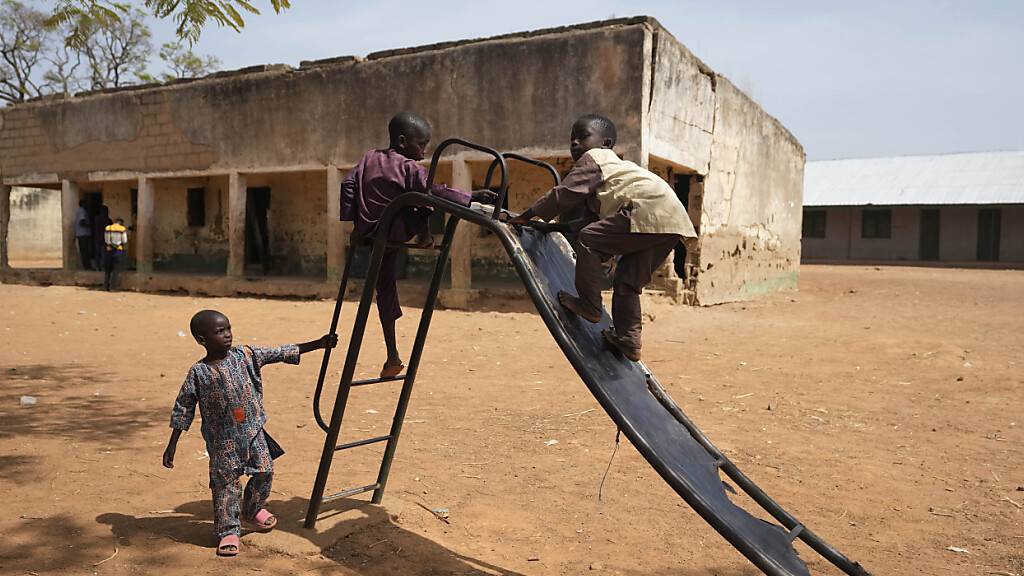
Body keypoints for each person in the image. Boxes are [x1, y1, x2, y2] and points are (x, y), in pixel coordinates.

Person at [510, 114, 697, 362]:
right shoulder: (613, 178)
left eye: (583, 136)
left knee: (589, 239)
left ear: (606, 143)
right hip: (670, 220)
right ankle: (629, 340)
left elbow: (563, 194)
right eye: (572, 139)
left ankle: (590, 305)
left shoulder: (596, 159)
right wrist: (551, 228)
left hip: (646, 209)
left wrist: (527, 215)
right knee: (628, 281)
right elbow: (586, 223)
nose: (575, 143)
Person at [162, 310, 337, 556]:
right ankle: (228, 531)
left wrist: (319, 344)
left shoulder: (246, 355)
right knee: (226, 486)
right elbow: (183, 407)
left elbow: (279, 352)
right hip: (223, 442)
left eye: (228, 329)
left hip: (254, 431)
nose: (227, 335)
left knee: (265, 470)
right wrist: (173, 444)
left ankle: (252, 509)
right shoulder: (198, 373)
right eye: (219, 332)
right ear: (202, 340)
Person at [340, 112, 496, 378]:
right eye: (421, 144)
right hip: (398, 229)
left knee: (383, 287)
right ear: (402, 141)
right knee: (423, 202)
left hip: (373, 234)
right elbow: (433, 191)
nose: (424, 150)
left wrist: (354, 224)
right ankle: (424, 236)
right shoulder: (410, 168)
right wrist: (469, 198)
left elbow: (348, 184)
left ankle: (392, 355)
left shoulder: (369, 157)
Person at [102, 217, 128, 291]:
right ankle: (113, 287)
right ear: (121, 223)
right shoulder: (122, 229)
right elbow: (124, 240)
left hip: (109, 249)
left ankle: (105, 286)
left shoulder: (108, 228)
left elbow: (106, 240)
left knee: (107, 269)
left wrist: (111, 244)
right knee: (115, 270)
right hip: (118, 250)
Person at [91, 204, 111, 271]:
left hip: (99, 239)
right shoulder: (107, 220)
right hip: (103, 239)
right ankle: (101, 266)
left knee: (99, 253)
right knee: (102, 254)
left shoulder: (97, 219)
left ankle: (99, 266)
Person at [74, 199, 92, 270]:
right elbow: (82, 222)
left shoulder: (78, 211)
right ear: (83, 204)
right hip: (83, 234)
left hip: (80, 234)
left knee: (84, 251)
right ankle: (86, 266)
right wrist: (90, 225)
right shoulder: (82, 211)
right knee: (85, 251)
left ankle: (86, 266)